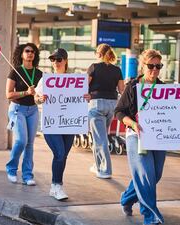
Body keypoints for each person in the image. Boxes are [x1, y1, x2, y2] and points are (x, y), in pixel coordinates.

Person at [115, 49, 166, 225]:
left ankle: (127, 198)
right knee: (145, 174)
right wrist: (133, 124)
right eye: (151, 66)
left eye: (158, 66)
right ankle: (150, 216)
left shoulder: (164, 88)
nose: (154, 69)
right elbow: (119, 112)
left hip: (159, 136)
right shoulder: (133, 87)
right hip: (136, 135)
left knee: (155, 175)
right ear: (143, 66)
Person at [34, 48, 82, 200]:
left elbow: (80, 100)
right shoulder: (46, 79)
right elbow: (36, 98)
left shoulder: (75, 80)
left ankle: (56, 186)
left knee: (63, 156)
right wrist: (40, 99)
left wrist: (86, 96)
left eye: (59, 59)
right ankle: (56, 185)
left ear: (66, 61)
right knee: (60, 153)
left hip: (69, 124)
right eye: (53, 59)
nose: (55, 62)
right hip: (52, 124)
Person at [5, 43, 42, 186]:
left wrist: (38, 97)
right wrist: (25, 92)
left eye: (33, 51)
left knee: (30, 144)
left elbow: (39, 97)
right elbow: (8, 95)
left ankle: (27, 175)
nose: (30, 53)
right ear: (21, 54)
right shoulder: (15, 71)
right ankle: (11, 169)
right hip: (17, 109)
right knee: (21, 141)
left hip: (32, 110)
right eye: (27, 51)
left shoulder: (39, 74)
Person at [87, 43, 124, 179]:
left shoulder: (94, 67)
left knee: (99, 139)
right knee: (101, 137)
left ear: (99, 54)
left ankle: (104, 170)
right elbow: (121, 90)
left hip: (97, 104)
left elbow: (85, 86)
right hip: (112, 106)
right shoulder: (117, 69)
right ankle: (97, 165)